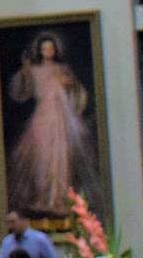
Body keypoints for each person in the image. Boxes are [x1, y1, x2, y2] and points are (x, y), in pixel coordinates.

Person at [6, 33, 96, 216]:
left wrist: (69, 85)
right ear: (40, 51)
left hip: (61, 118)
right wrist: (25, 71)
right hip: (43, 117)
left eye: (51, 48)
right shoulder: (34, 70)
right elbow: (22, 91)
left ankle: (59, 198)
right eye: (44, 48)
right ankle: (43, 196)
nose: (48, 51)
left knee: (61, 158)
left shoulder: (63, 69)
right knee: (42, 158)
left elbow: (77, 92)